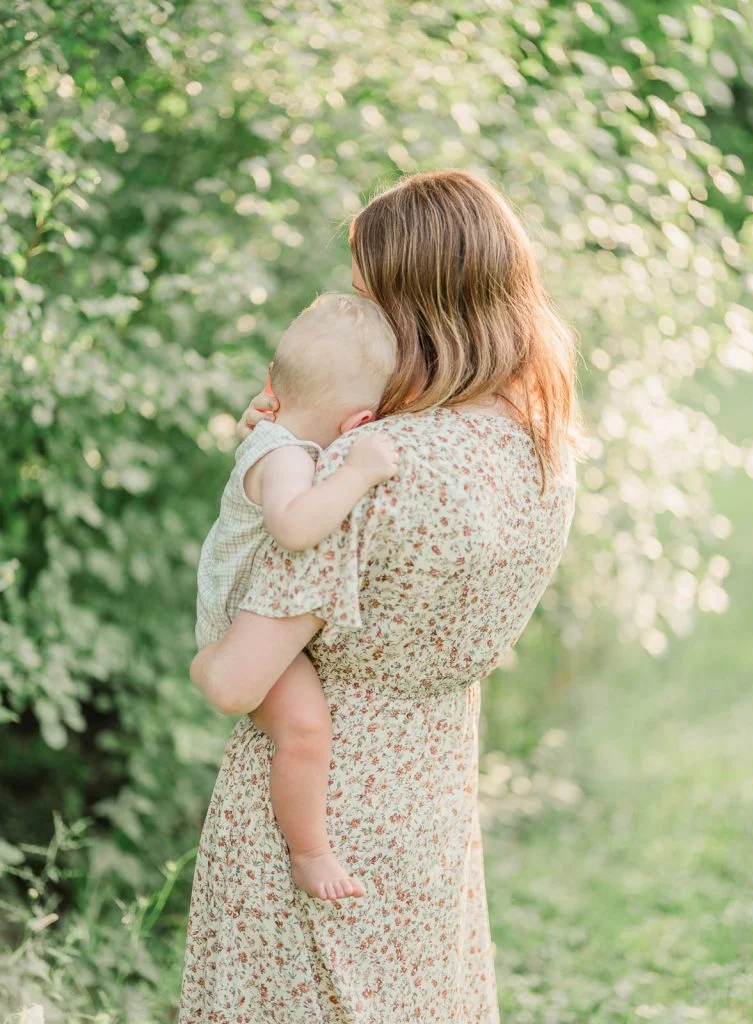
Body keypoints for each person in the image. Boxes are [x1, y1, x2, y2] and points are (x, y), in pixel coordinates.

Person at [180, 168, 580, 1024]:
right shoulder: (545, 448)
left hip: (308, 815)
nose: (353, 318)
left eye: (367, 300)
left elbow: (234, 681)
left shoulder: (371, 471)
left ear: (416, 310)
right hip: (430, 799)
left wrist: (279, 461)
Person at [195, 292, 399, 902]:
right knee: (307, 730)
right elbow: (292, 526)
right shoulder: (284, 455)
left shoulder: (277, 432)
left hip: (247, 612)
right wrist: (357, 472)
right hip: (239, 627)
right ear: (358, 425)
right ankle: (310, 853)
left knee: (308, 725)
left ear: (272, 384)